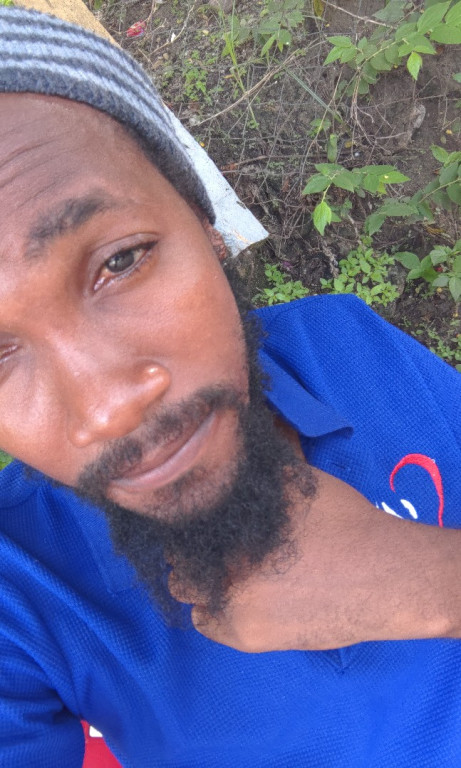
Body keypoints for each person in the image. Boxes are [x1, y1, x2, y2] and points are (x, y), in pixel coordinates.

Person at [0, 7, 460, 767]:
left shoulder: (344, 341)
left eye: (120, 261)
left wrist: (428, 577)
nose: (109, 405)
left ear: (205, 221)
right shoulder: (21, 591)